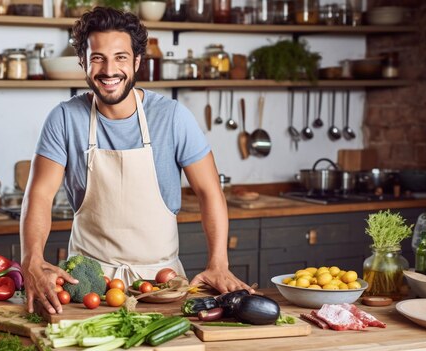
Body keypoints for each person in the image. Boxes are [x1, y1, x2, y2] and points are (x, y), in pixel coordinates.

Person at [20, 7, 253, 315]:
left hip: (160, 284)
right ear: (83, 63)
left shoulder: (172, 117)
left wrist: (219, 264)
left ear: (137, 62)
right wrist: (31, 260)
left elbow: (210, 192)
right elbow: (39, 195)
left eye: (120, 57)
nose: (109, 69)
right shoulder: (64, 118)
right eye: (98, 57)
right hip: (88, 287)